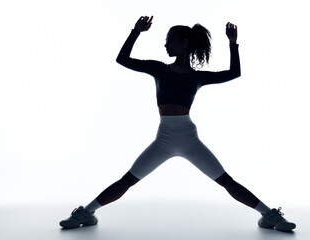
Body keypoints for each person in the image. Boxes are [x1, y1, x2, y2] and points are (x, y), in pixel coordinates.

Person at [59, 16, 296, 232]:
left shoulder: (198, 77)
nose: (165, 45)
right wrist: (136, 31)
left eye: (170, 40)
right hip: (163, 139)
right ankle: (86, 213)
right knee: (128, 180)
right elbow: (122, 59)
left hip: (189, 139)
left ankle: (269, 215)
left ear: (184, 43)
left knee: (226, 181)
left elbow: (234, 73)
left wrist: (233, 44)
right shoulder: (158, 68)